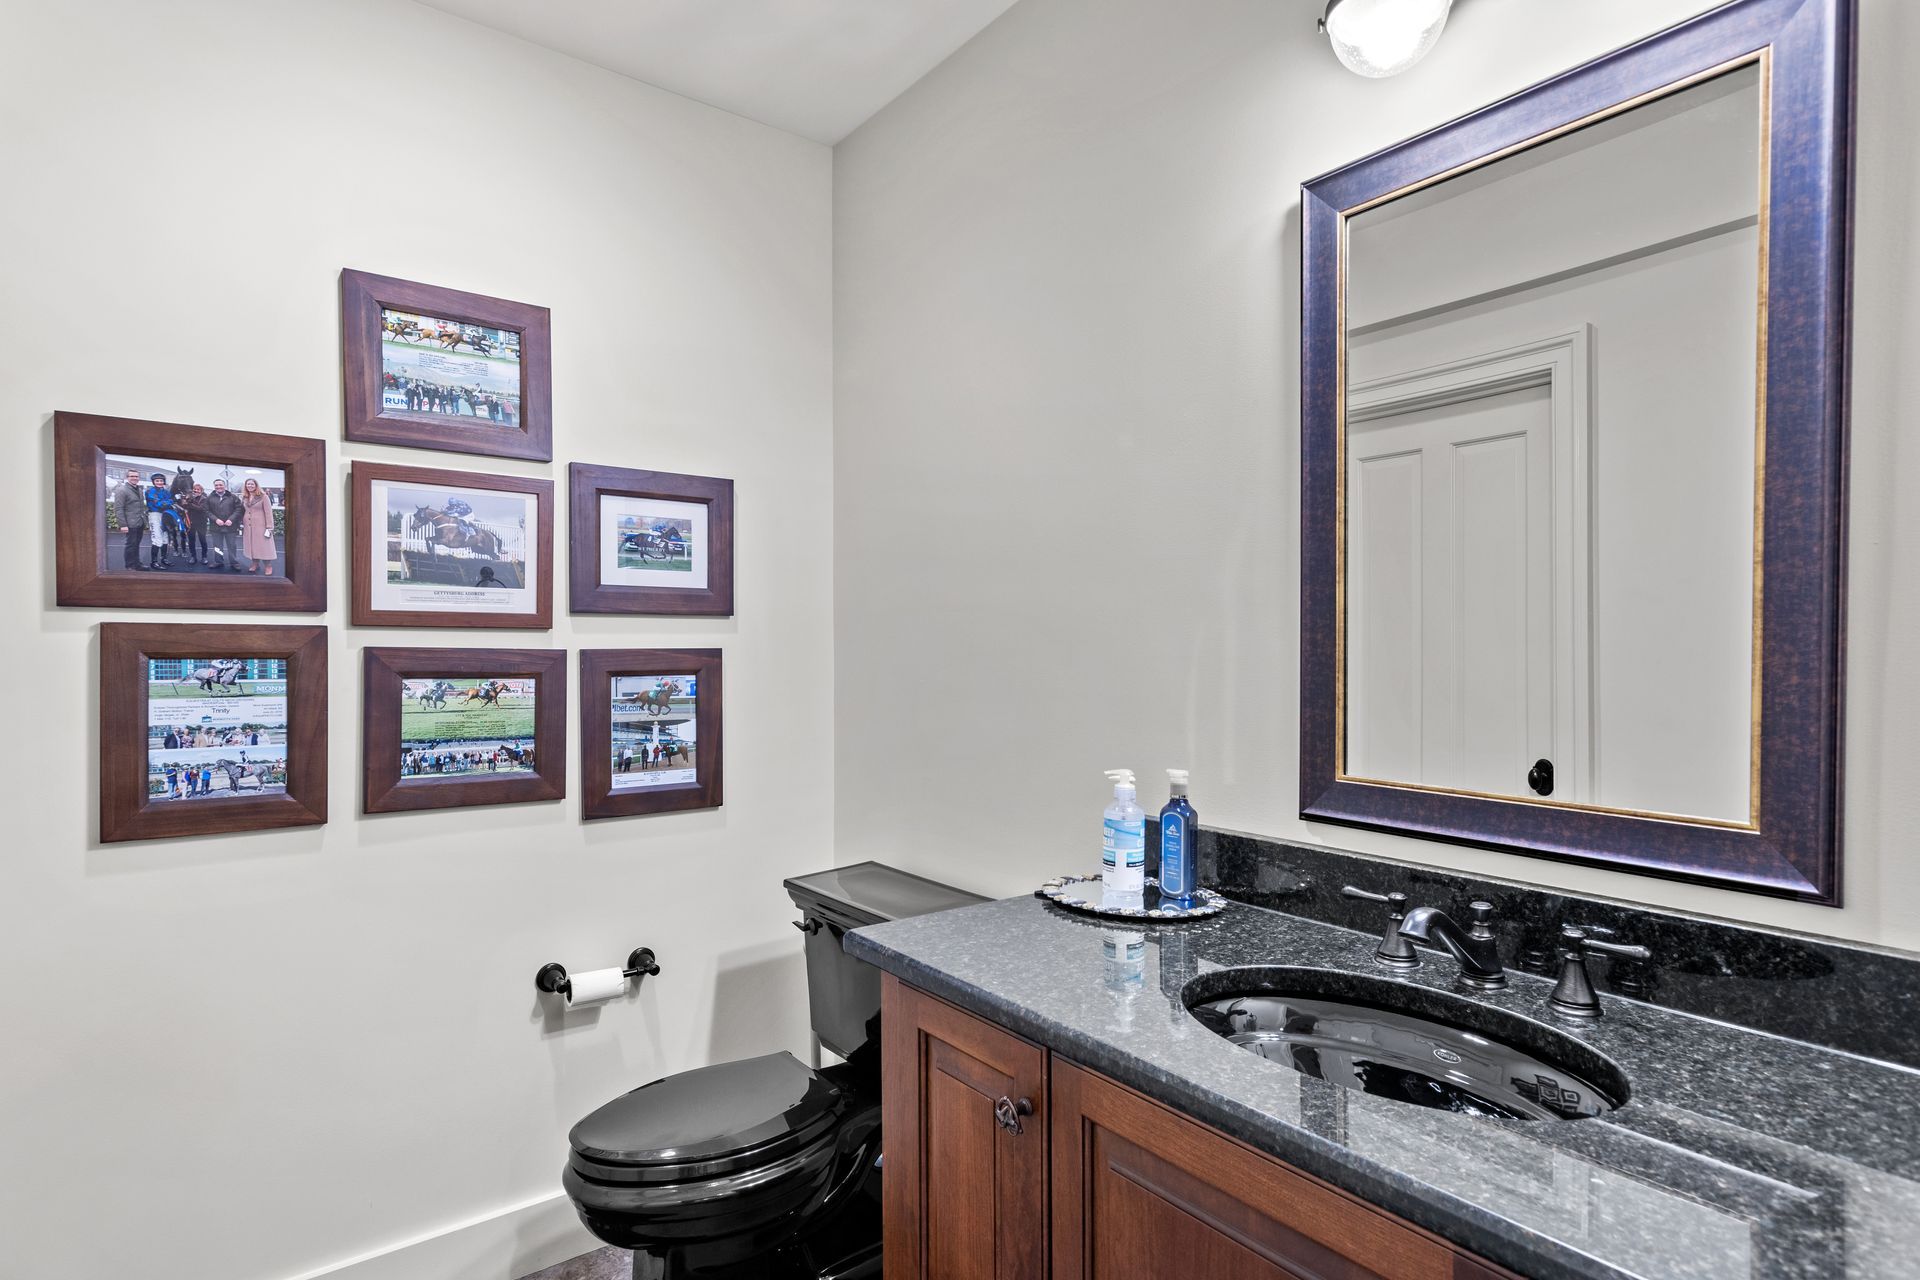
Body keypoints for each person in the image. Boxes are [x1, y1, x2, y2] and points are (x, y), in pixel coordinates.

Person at [240, 478, 276, 576]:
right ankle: (255, 563)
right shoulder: (245, 497)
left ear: (256, 485)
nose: (250, 486)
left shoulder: (263, 496)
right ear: (245, 486)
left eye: (252, 484)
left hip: (261, 526)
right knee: (252, 545)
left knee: (264, 547)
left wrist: (269, 527)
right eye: (248, 484)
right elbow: (242, 511)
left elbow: (268, 513)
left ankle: (268, 566)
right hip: (248, 526)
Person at [205, 477, 242, 571]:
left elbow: (239, 509)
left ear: (225, 486)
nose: (218, 487)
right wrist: (216, 519)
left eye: (220, 485)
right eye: (216, 485)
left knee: (232, 546)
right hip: (216, 526)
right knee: (217, 546)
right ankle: (218, 561)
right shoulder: (210, 497)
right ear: (214, 486)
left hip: (231, 526)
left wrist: (231, 519)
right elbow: (206, 511)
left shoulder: (233, 497)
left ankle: (234, 562)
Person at [144, 472, 180, 570]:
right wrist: (169, 502)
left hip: (165, 515)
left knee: (165, 538)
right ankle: (154, 562)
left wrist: (169, 502)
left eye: (161, 481)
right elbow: (160, 504)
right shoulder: (150, 491)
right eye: (157, 481)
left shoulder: (166, 491)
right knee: (157, 539)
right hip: (155, 514)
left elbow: (171, 500)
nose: (159, 482)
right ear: (153, 482)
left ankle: (164, 558)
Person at [113, 467, 146, 570]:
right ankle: (129, 566)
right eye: (132, 476)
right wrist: (123, 525)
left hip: (139, 522)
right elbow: (118, 508)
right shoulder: (122, 490)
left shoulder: (140, 490)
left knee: (136, 545)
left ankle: (137, 564)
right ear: (127, 478)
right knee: (130, 545)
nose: (134, 478)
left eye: (136, 476)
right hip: (130, 524)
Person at [184, 483, 210, 566]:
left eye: (198, 489)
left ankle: (204, 557)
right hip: (190, 522)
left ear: (201, 491)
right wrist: (186, 502)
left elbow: (200, 508)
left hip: (201, 523)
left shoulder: (204, 499)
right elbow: (184, 506)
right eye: (194, 489)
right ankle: (193, 556)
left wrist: (189, 503)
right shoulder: (189, 498)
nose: (196, 491)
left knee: (203, 540)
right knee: (191, 540)